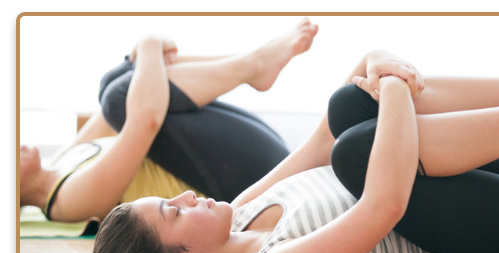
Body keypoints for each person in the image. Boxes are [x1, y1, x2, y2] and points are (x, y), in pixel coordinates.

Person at [43, 45, 499, 253]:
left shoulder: (244, 210)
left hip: (485, 204)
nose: (187, 196)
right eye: (174, 211)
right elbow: (385, 205)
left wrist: (373, 62)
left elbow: (321, 136)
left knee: (348, 107)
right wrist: (396, 85)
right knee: (358, 154)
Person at [19, 18, 319, 222]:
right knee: (118, 98)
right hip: (248, 181)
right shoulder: (65, 202)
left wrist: (143, 56)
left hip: (247, 149)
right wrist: (150, 43)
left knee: (116, 82)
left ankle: (254, 64)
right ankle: (254, 66)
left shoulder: (62, 160)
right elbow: (143, 122)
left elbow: (131, 89)